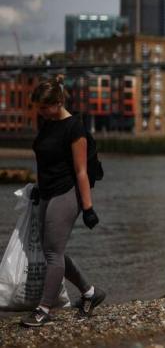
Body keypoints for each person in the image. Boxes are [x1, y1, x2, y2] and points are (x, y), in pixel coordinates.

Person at [21, 76, 105, 327]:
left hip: (66, 192)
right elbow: (44, 159)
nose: (41, 112)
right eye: (38, 108)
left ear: (58, 102)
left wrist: (88, 208)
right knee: (52, 250)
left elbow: (81, 171)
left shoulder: (74, 128)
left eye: (44, 107)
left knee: (52, 252)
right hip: (46, 191)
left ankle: (44, 309)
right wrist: (37, 186)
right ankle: (91, 293)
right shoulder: (47, 123)